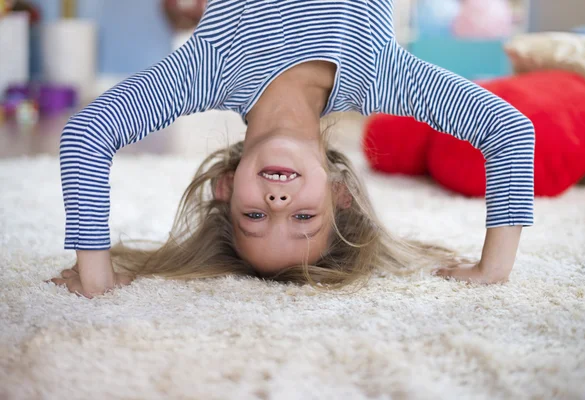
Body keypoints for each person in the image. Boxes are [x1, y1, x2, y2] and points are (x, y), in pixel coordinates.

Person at [48, 0, 535, 298]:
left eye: (254, 218)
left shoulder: (212, 66)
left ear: (225, 188)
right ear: (339, 194)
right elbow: (510, 131)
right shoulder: (381, 73)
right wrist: (493, 269)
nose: (277, 205)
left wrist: (95, 273)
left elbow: (88, 133)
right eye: (304, 219)